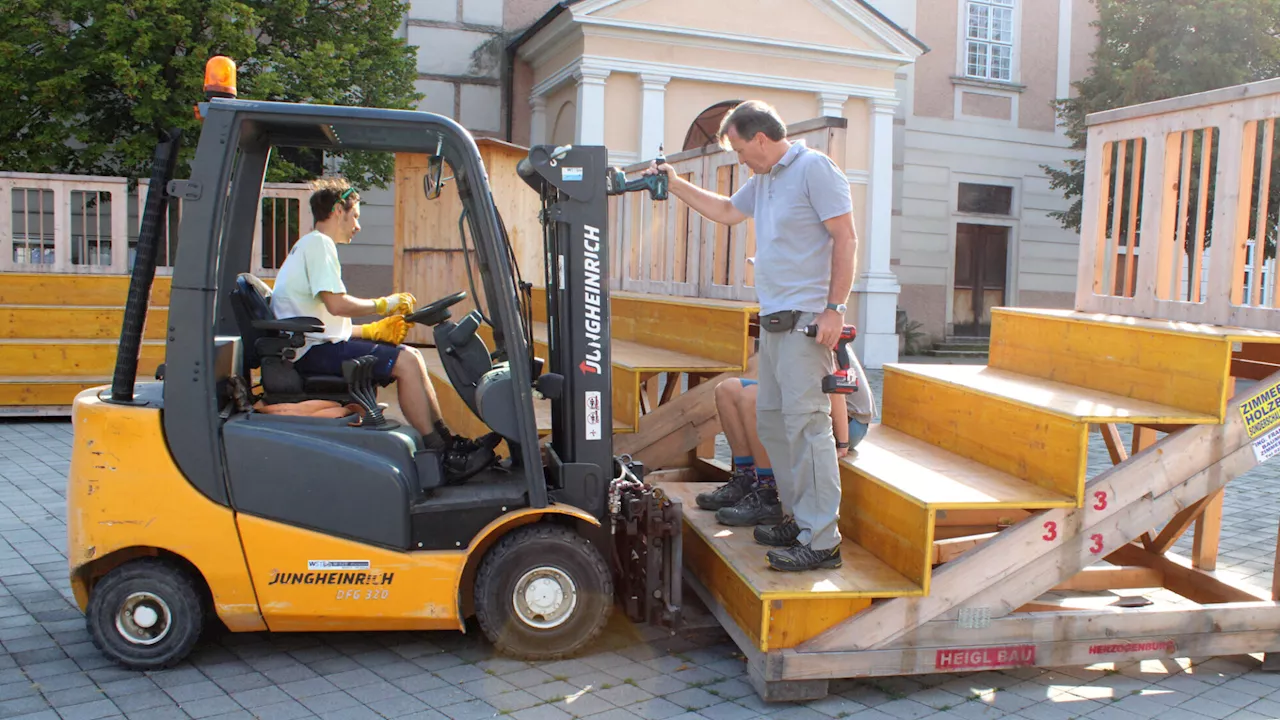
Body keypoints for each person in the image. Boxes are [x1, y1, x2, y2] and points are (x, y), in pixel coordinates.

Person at [646, 100, 858, 572]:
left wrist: (834, 309)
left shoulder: (813, 169)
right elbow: (725, 211)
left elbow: (846, 238)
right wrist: (677, 184)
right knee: (774, 425)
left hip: (808, 320)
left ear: (760, 138)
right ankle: (796, 517)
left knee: (806, 428)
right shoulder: (765, 179)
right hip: (777, 320)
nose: (741, 159)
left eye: (741, 150)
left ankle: (822, 541)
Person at [270, 177, 494, 480]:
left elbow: (322, 320)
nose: (358, 226)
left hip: (313, 347)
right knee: (404, 362)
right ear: (339, 209)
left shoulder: (308, 245)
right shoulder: (319, 245)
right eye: (356, 216)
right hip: (312, 354)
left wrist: (374, 331)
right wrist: (385, 304)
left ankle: (447, 443)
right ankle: (441, 453)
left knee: (412, 356)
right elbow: (337, 305)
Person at [697, 362, 875, 528]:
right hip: (809, 404)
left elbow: (836, 389)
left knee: (752, 399)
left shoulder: (808, 330)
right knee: (727, 389)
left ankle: (767, 493)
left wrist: (842, 443)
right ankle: (746, 479)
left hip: (848, 419)